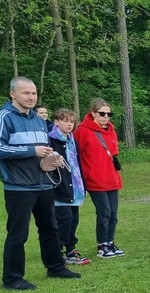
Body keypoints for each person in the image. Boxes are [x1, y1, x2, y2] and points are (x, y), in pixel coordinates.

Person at [0, 76, 80, 289]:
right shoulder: (3, 117)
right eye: (26, 93)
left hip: (44, 183)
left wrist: (50, 158)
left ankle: (56, 267)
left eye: (33, 93)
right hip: (18, 186)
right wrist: (32, 151)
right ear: (13, 94)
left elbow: (43, 149)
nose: (31, 97)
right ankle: (12, 279)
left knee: (50, 229)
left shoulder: (38, 120)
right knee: (18, 233)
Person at [73, 98, 125, 258]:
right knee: (104, 212)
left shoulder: (111, 130)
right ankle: (102, 244)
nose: (106, 117)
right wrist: (82, 179)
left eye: (109, 114)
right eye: (102, 113)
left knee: (113, 213)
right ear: (93, 113)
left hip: (111, 178)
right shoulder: (82, 131)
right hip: (95, 178)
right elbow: (75, 155)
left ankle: (110, 241)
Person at [48, 108, 90, 265]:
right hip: (59, 187)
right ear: (56, 122)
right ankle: (57, 250)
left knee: (73, 219)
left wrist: (82, 187)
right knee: (64, 219)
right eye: (65, 120)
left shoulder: (72, 140)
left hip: (74, 186)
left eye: (72, 121)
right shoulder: (50, 140)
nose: (69, 124)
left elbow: (77, 165)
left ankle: (71, 249)